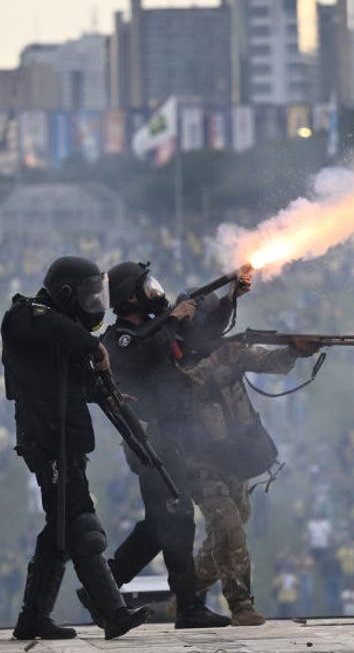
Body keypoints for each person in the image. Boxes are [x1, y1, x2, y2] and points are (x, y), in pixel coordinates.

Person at [1, 256, 152, 640]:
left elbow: (68, 385)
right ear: (66, 294)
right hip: (46, 440)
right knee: (83, 527)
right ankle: (112, 612)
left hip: (64, 439)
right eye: (85, 295)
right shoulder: (27, 317)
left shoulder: (57, 333)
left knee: (59, 533)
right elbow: (48, 326)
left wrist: (107, 393)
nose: (93, 304)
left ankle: (33, 618)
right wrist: (93, 346)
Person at [76, 261, 231, 629]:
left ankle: (105, 585)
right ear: (130, 297)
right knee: (176, 521)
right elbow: (137, 352)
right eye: (146, 287)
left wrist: (230, 298)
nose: (155, 291)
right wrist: (172, 320)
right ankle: (189, 607)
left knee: (160, 524)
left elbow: (203, 338)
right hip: (152, 439)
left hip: (171, 437)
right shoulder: (120, 339)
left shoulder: (159, 330)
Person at [176, 288, 321, 626]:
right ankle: (240, 604)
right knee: (228, 524)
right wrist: (219, 359)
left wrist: (295, 352)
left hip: (234, 455)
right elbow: (183, 386)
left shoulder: (230, 350)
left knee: (236, 519)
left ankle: (189, 589)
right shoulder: (176, 356)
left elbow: (268, 362)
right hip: (199, 459)